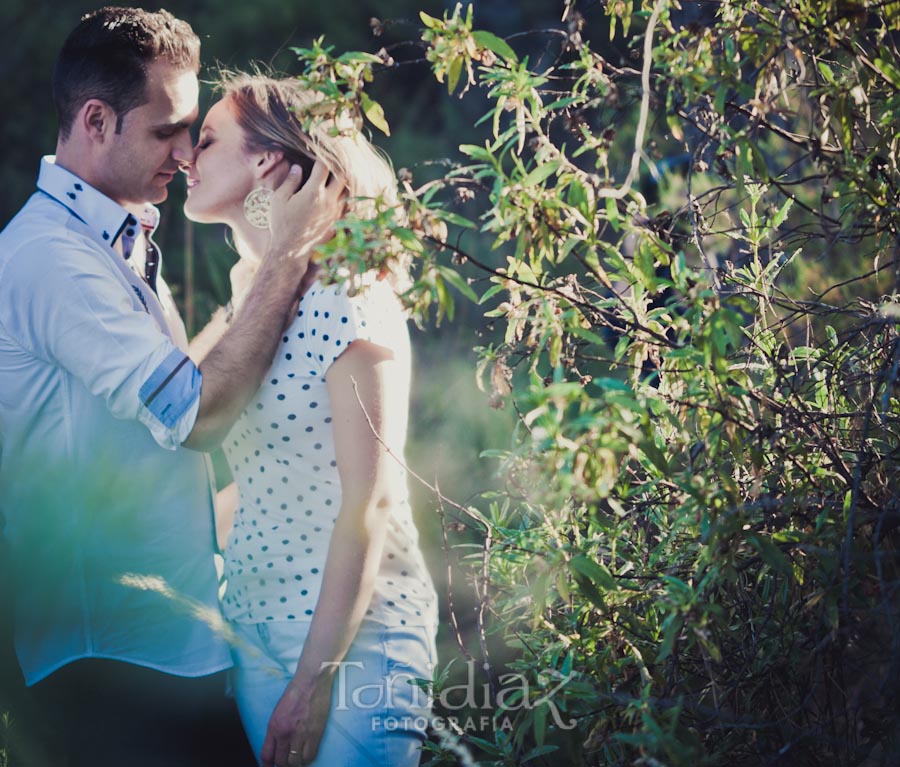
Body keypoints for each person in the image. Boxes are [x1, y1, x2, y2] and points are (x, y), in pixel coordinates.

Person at [0, 8, 343, 766]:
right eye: (167, 130)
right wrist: (290, 254)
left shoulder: (111, 239)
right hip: (111, 665)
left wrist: (258, 277)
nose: (187, 152)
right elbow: (197, 413)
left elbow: (179, 389)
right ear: (96, 120)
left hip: (164, 653)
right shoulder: (52, 258)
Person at [182, 72, 439, 767]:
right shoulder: (254, 298)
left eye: (206, 141)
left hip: (356, 645)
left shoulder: (349, 294)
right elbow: (193, 417)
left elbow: (371, 500)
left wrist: (312, 680)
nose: (184, 157)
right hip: (255, 630)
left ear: (266, 161)